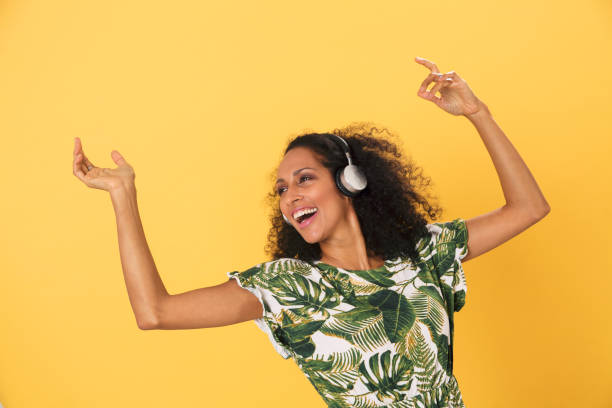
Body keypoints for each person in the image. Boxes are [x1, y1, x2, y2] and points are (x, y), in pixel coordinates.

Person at [72, 57, 551, 407]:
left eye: (304, 179)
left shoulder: (421, 254)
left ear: (350, 182)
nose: (290, 196)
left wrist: (477, 113)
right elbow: (155, 313)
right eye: (282, 189)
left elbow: (529, 208)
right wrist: (123, 196)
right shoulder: (290, 287)